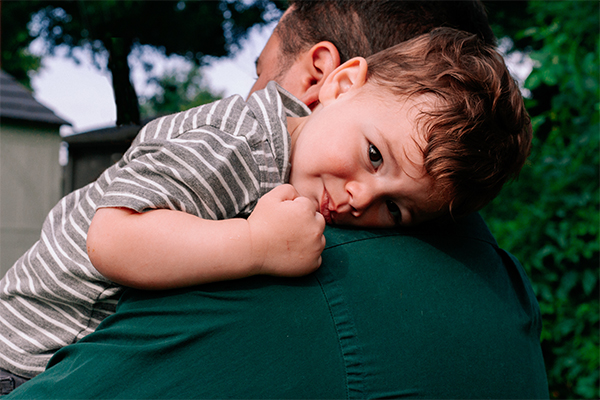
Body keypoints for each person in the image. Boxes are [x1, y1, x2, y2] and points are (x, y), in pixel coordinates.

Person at [6, 1, 549, 398]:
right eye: (375, 157)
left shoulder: (319, 162)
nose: (361, 198)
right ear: (334, 83)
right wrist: (253, 243)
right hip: (21, 354)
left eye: (397, 210)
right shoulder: (239, 142)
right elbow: (111, 237)